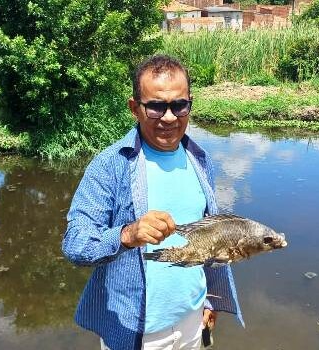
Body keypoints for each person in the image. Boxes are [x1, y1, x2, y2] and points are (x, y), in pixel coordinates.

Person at [62, 55, 242, 350]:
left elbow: (209, 239)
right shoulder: (109, 166)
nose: (169, 117)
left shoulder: (201, 159)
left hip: (192, 322)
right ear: (135, 108)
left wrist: (211, 299)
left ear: (189, 104)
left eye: (179, 105)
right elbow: (75, 244)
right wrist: (127, 234)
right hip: (136, 332)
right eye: (157, 106)